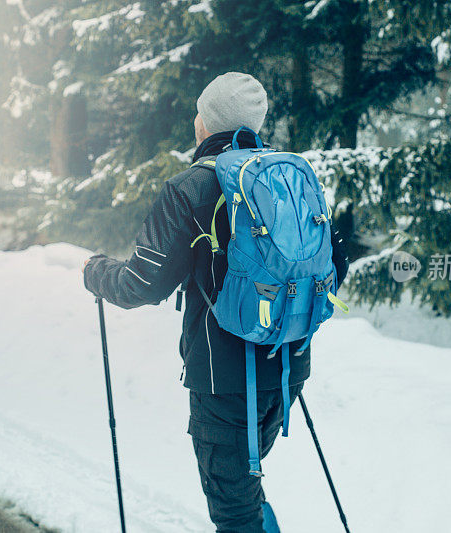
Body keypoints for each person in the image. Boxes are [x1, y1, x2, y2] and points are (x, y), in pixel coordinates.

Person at [83, 72, 349, 532]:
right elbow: (333, 268)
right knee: (243, 489)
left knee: (234, 509)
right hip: (287, 369)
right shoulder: (290, 179)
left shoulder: (190, 189)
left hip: (221, 380)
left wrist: (96, 272)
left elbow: (142, 284)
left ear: (204, 125)